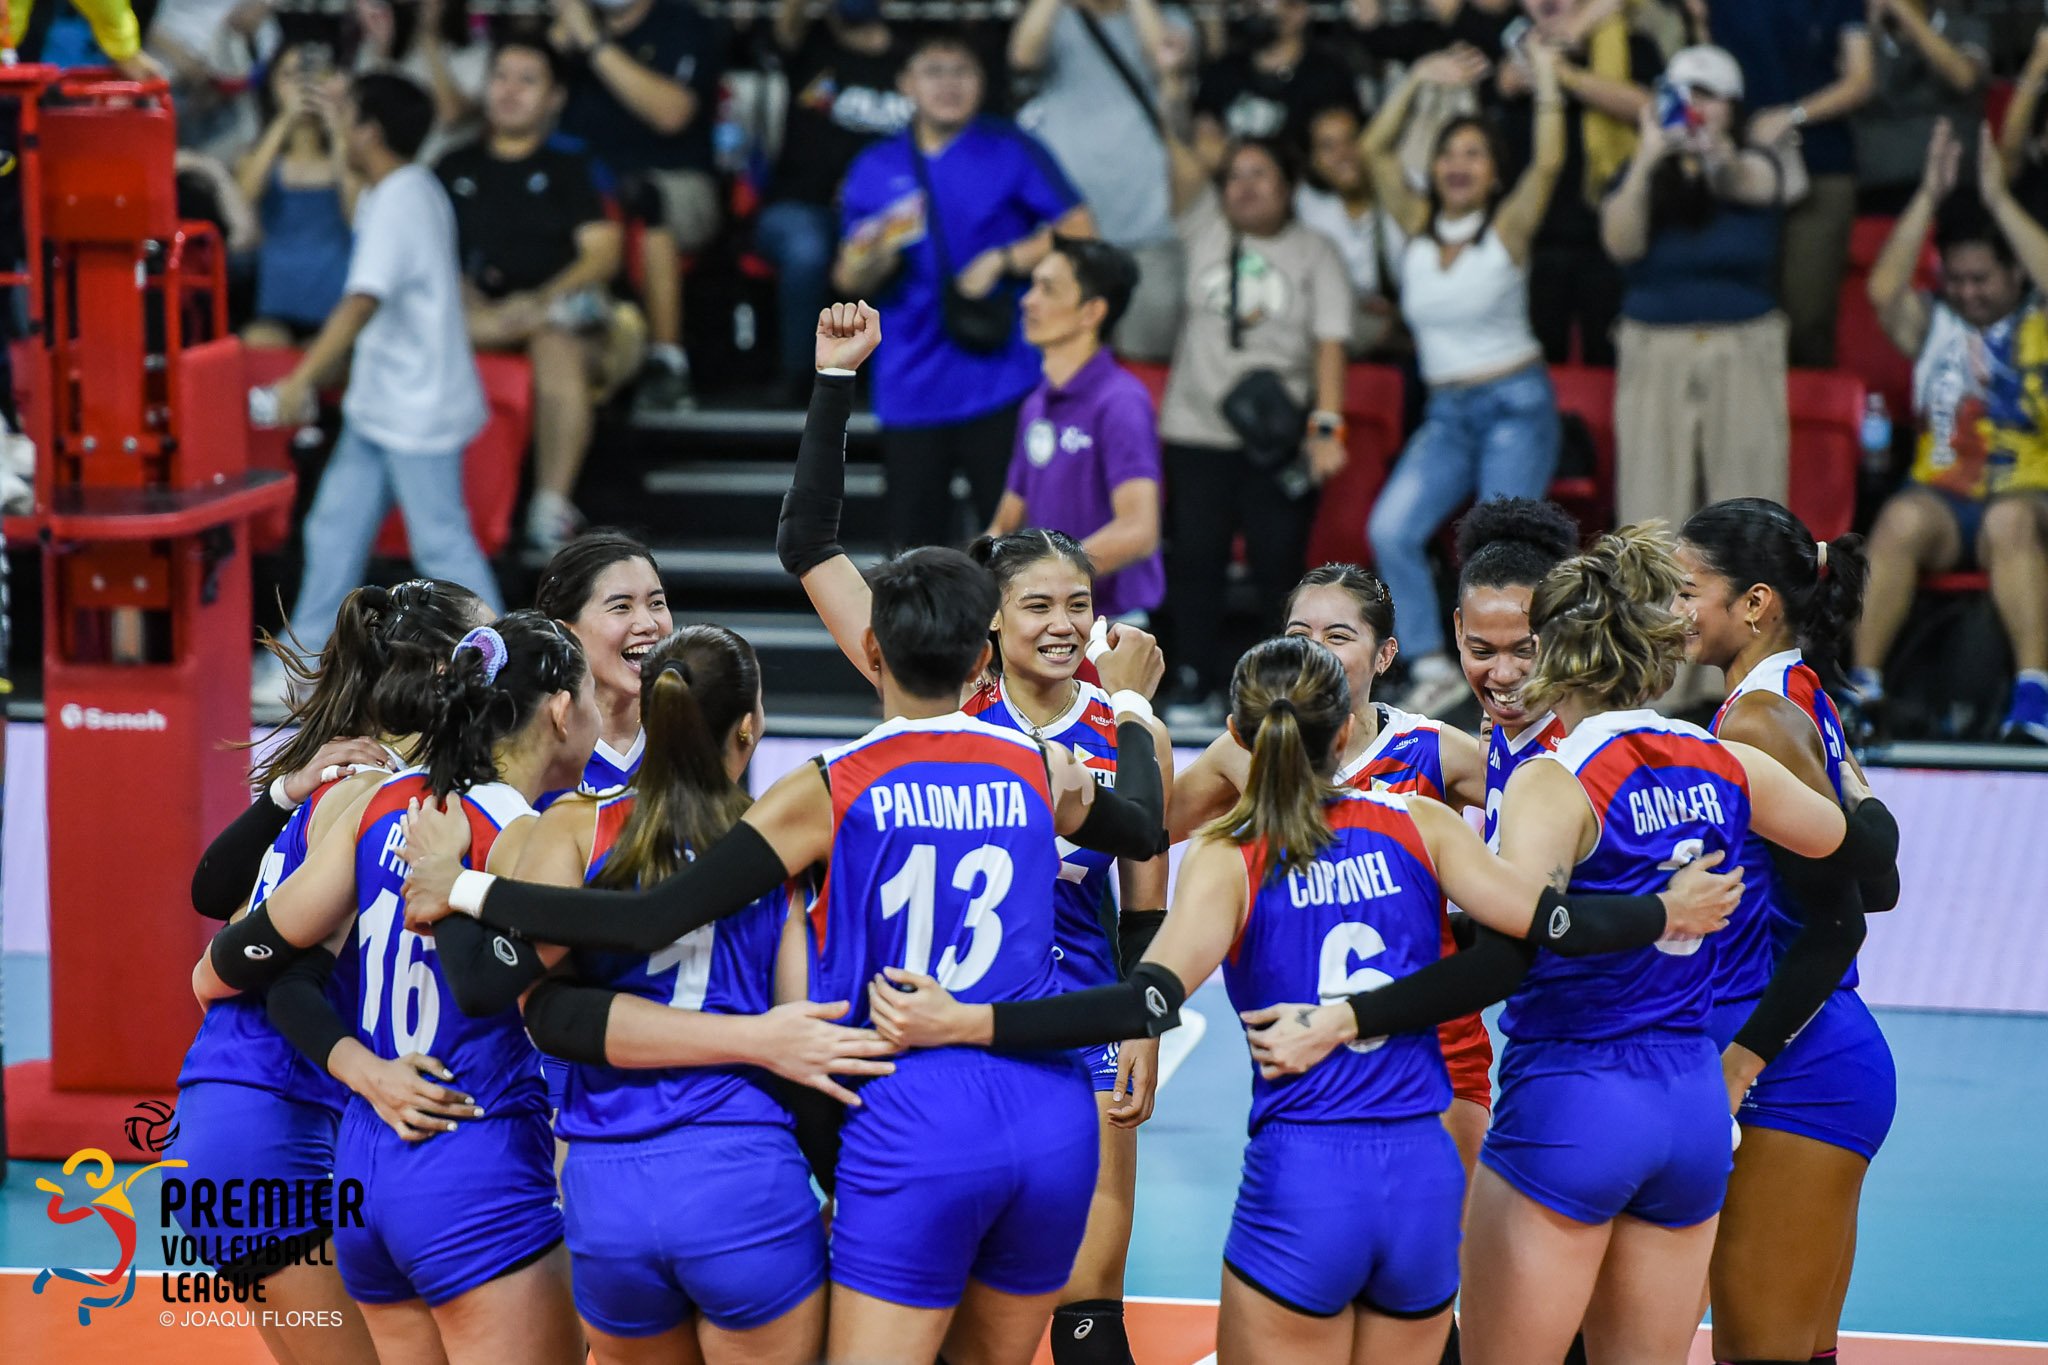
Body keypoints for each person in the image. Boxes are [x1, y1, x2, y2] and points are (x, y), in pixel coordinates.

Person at [862, 632, 1745, 1365]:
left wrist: (973, 1020)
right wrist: (1663, 911)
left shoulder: (1232, 853)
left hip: (1306, 1182)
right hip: (1421, 1175)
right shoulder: (1422, 823)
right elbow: (1535, 935)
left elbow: (1144, 1002)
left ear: (1237, 735)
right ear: (1347, 727)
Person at [396, 549, 1172, 1365]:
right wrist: (1128, 704)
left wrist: (467, 887)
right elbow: (1144, 826)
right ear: (983, 656)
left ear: (872, 651)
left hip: (911, 1109)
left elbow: (656, 913)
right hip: (1047, 1111)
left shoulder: (831, 784)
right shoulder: (1044, 765)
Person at [1238, 526, 1898, 1365]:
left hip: (1576, 1099)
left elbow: (1509, 954)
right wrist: (1849, 777)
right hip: (1691, 1105)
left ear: (1554, 654)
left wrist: (1349, 1016)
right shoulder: (1727, 761)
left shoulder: (1554, 781)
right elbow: (1869, 862)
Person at [781, 303, 1174, 1365]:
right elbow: (810, 545)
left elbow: (1144, 896)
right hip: (920, 1033)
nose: (1063, 623)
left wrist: (1141, 1027)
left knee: (1089, 1290)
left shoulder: (1124, 726)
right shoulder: (935, 690)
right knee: (922, 1298)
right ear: (988, 620)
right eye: (1037, 604)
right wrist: (834, 381)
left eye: (1079, 604)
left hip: (1072, 1030)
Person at [196, 614, 600, 1365]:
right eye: (595, 698)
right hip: (467, 1146)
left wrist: (211, 973)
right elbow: (535, 995)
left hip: (366, 1159)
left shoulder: (383, 802)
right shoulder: (527, 833)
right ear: (561, 709)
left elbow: (274, 953)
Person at [502, 625, 890, 1364]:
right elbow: (804, 1035)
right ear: (749, 724)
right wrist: (844, 1186)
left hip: (606, 1184)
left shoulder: (574, 827)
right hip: (743, 1176)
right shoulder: (776, 845)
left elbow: (539, 1006)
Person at [171, 582, 489, 1365]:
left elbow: (221, 895)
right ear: (447, 672)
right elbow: (281, 966)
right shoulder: (374, 794)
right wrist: (217, 969)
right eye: (486, 650)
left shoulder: (350, 776)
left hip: (233, 1111)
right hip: (270, 1113)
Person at [1167, 564, 1494, 1173]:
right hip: (1304, 1060)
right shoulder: (1244, 749)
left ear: (1386, 654)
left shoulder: (1435, 749)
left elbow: (1547, 824)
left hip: (1434, 1050)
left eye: (1339, 636)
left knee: (1444, 1232)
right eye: (1300, 634)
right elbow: (1144, 833)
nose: (1315, 651)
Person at [1675, 498, 1899, 1365]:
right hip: (1818, 1058)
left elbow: (1841, 922)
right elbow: (1877, 879)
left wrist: (1741, 1064)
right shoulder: (1800, 696)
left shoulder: (1757, 720)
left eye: (1688, 589)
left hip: (1791, 1069)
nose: (1673, 609)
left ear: (1756, 603)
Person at [254, 71, 504, 706]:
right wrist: (346, 151)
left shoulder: (398, 198)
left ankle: (507, 665)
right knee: (333, 529)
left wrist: (300, 379)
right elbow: (357, 222)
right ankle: (306, 668)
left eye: (349, 115)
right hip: (384, 402)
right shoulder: (405, 187)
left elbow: (361, 301)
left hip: (415, 406)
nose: (339, 123)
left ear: (369, 130)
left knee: (442, 543)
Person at [1362, 44, 1565, 718]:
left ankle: (1525, 673)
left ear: (1494, 173)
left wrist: (1548, 83)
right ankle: (1430, 665)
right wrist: (1417, 77)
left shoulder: (1507, 227)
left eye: (1475, 154)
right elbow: (1374, 151)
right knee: (1391, 528)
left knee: (1502, 551)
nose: (1459, 163)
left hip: (1516, 405)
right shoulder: (1417, 226)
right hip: (1447, 413)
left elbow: (1549, 163)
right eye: (1449, 153)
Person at [834, 30, 1095, 551]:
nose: (948, 83)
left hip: (1001, 375)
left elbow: (1081, 229)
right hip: (910, 382)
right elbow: (846, 279)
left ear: (981, 83)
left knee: (1017, 549)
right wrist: (877, 256)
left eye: (962, 71)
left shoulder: (1010, 148)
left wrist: (1005, 259)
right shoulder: (875, 166)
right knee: (914, 553)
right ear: (905, 84)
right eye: (933, 70)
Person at [1855, 123, 2048, 746]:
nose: (1967, 292)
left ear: (2015, 274)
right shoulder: (1937, 324)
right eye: (1957, 280)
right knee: (1898, 521)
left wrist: (1997, 200)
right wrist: (1928, 197)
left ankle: (2034, 697)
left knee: (2009, 523)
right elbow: (1883, 289)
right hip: (1944, 496)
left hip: (2028, 494)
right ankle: (1863, 691)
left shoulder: (2041, 320)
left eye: (1981, 279)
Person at [1155, 131, 1352, 722]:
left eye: (1259, 173)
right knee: (1195, 560)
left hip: (1276, 442)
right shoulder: (1204, 226)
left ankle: (1275, 687)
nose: (1244, 186)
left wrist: (1327, 430)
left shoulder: (1316, 251)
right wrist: (1175, 103)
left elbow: (1330, 344)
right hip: (1195, 431)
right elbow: (1179, 154)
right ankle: (1192, 678)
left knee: (1278, 565)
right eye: (1234, 175)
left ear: (1289, 185)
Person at [440, 38, 635, 553]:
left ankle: (550, 507)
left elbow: (603, 254)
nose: (509, 90)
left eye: (527, 81)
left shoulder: (572, 164)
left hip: (564, 317)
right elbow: (430, 255)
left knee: (554, 340)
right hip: (476, 316)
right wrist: (477, 305)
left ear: (554, 98)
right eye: (500, 76)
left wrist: (537, 302)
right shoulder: (452, 167)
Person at [1602, 45, 1807, 533]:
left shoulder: (1757, 163)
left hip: (1742, 348)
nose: (1694, 106)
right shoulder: (1639, 172)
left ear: (1732, 106)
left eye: (1707, 95)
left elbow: (1748, 183)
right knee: (1649, 515)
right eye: (1682, 95)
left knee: (1747, 516)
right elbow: (1621, 245)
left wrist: (1716, 157)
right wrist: (1648, 158)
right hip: (1655, 350)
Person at [555, 0, 724, 411]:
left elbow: (671, 114)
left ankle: (667, 362)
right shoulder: (568, 32)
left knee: (646, 198)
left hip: (674, 183)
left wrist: (593, 43)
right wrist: (553, 48)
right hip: (584, 186)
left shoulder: (684, 24)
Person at [988, 236, 1166, 625]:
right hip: (1049, 619)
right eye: (1032, 286)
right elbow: (1007, 520)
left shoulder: (1121, 401)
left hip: (1111, 624)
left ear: (1091, 312)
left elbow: (1139, 530)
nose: (1028, 300)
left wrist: (1048, 576)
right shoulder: (1036, 403)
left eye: (1047, 289)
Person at [1486, 0, 1660, 368]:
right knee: (1534, 366)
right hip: (1536, 242)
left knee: (1612, 366)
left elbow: (1652, 110)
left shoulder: (1629, 45)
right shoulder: (1511, 54)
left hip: (1611, 239)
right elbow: (1495, 95)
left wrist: (1562, 74)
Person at [1010, 0, 1186, 362]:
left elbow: (1163, 58)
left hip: (1149, 226)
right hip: (1071, 232)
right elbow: (1022, 57)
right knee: (1068, 362)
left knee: (1148, 361)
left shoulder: (1171, 19)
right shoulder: (1057, 22)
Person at [1706, 0, 1873, 369]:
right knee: (1744, 308)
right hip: (1740, 168)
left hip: (1820, 164)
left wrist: (1793, 115)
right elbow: (1705, 66)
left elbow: (1861, 80)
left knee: (1805, 316)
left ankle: (1811, 403)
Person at [758, 0, 910, 398]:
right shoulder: (809, 46)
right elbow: (785, 28)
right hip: (805, 207)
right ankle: (800, 376)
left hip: (887, 210)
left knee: (915, 245)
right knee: (807, 249)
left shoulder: (912, 58)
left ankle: (901, 378)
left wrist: (868, 192)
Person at [1450, 495, 1579, 848]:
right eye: (1482, 652)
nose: (1504, 674)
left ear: (1564, 628)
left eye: (1526, 650)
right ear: (1459, 629)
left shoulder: (1581, 754)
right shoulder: (1499, 726)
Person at [534, 530, 674, 793]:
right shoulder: (538, 753)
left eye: (656, 603)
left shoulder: (690, 738)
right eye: (621, 607)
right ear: (565, 633)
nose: (648, 624)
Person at [237, 43, 355, 348]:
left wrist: (337, 132)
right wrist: (284, 121)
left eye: (315, 76)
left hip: (337, 312)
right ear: (273, 87)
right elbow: (242, 200)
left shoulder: (349, 160)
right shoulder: (258, 157)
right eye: (290, 77)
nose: (303, 87)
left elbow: (357, 216)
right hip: (275, 310)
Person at [1190, 0, 1360, 169]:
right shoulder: (1223, 72)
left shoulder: (1328, 76)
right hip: (1237, 180)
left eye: (1264, 5)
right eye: (1252, 6)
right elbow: (1204, 138)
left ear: (1298, 12)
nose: (1255, 12)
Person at [1852, 0, 1986, 214]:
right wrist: (1868, 27)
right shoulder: (1861, 32)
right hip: (1876, 186)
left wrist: (1904, 11)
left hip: (1954, 184)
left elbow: (1964, 78)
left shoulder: (1963, 25)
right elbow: (1850, 87)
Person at [1293, 102, 1404, 356]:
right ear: (1314, 161)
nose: (1342, 154)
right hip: (1348, 330)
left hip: (1410, 326)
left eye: (1351, 139)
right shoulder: (1308, 206)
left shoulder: (1404, 190)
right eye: (1328, 146)